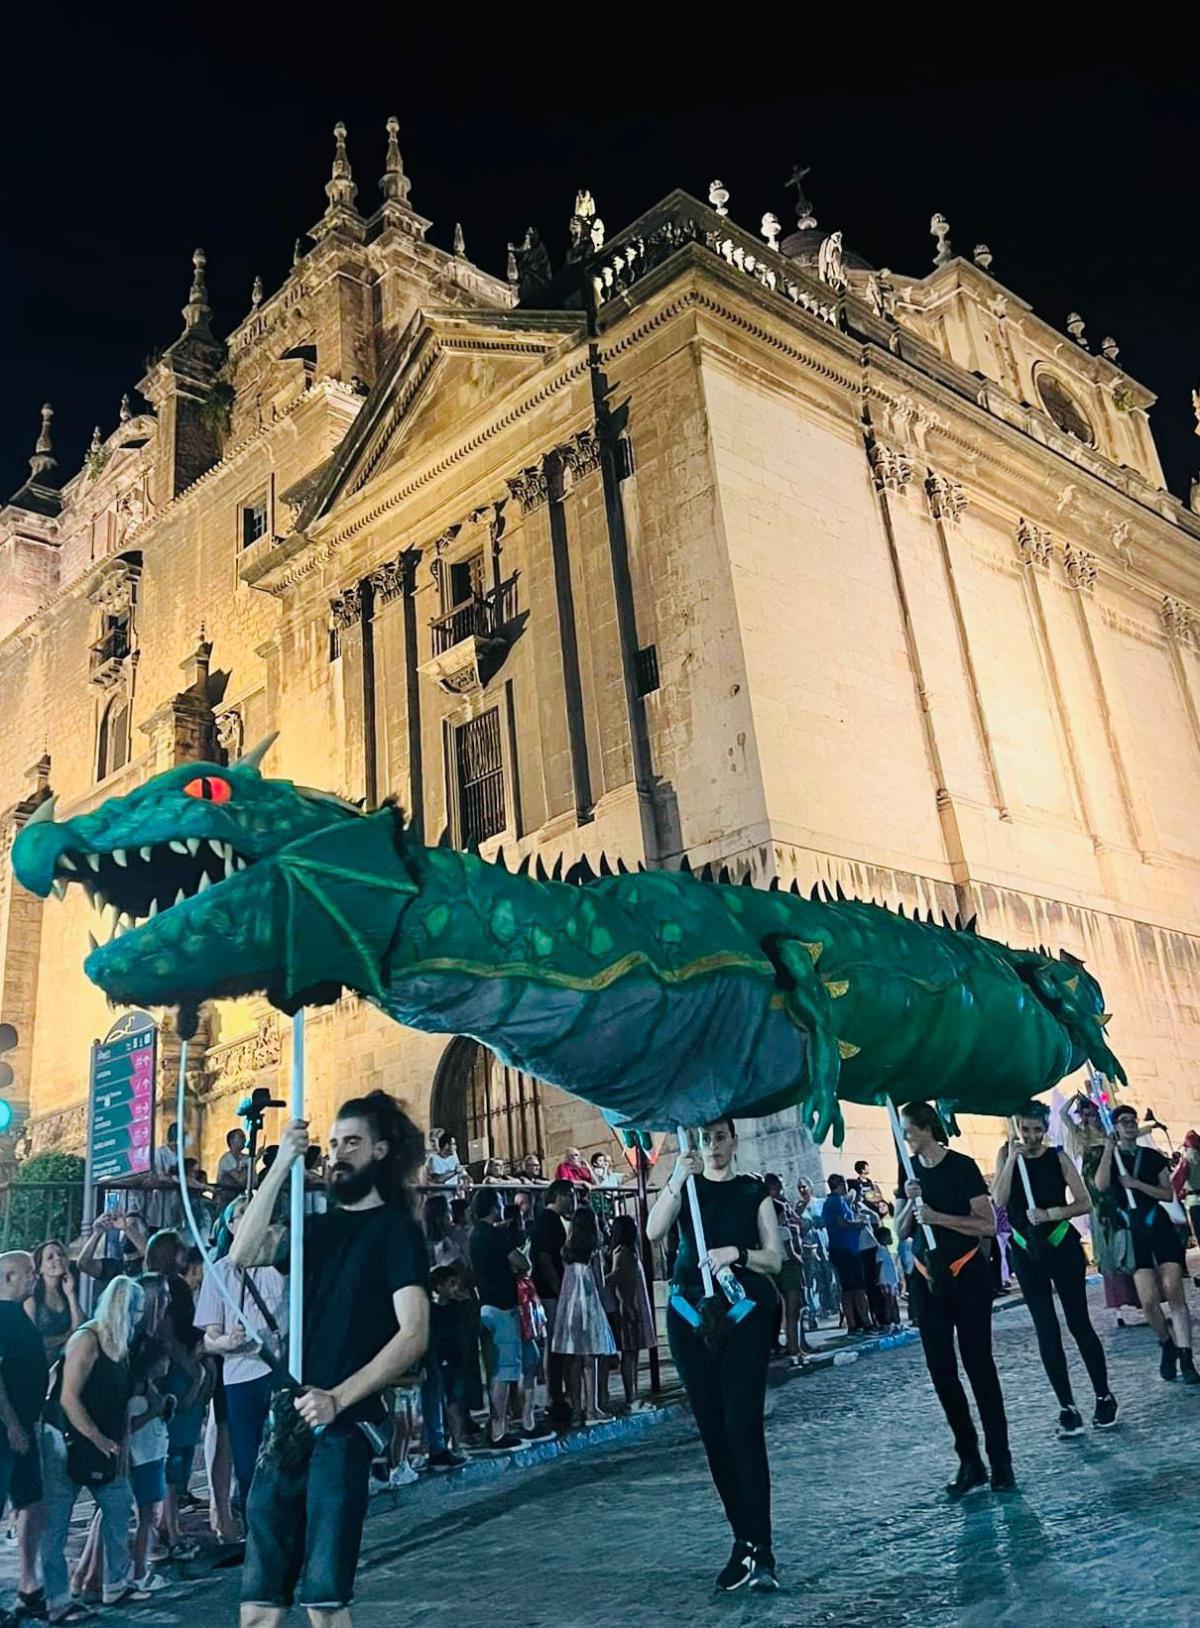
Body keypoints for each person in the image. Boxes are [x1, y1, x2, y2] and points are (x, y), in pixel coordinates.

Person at [230, 1090, 430, 1626]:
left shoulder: (397, 1232)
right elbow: (242, 1253)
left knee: (324, 1603)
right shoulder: (315, 1229)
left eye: (353, 1142)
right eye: (335, 1142)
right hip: (287, 1419)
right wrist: (278, 1169)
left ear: (381, 1151)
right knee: (258, 1604)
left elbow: (413, 1335)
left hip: (342, 1429)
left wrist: (338, 1398)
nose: (339, 1153)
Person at [647, 1119, 783, 1594]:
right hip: (689, 1317)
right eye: (706, 1139)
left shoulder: (753, 1192)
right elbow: (653, 1229)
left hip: (743, 1315)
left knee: (742, 1427)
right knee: (712, 1433)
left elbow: (775, 1257)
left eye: (720, 1137)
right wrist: (676, 1178)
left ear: (734, 1140)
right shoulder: (687, 1187)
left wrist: (735, 1254)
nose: (713, 1146)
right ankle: (741, 1540)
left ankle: (762, 1546)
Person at [896, 1102, 1014, 1497]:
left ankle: (1001, 1460)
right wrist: (911, 1206)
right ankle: (969, 1460)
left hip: (966, 1275)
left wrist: (937, 1216)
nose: (905, 1136)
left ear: (928, 1127)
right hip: (927, 1282)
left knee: (979, 1366)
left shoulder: (961, 1167)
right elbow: (900, 1231)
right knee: (941, 1373)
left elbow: (986, 1224)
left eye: (908, 1128)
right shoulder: (908, 1170)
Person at [992, 1101, 1118, 1434]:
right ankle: (1067, 1406)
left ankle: (1103, 1396)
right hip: (1026, 1250)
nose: (1032, 1137)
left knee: (1079, 1322)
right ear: (1017, 1128)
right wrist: (1011, 1161)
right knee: (1046, 1329)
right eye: (1026, 1130)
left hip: (1061, 1245)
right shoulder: (1007, 1155)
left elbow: (1084, 1200)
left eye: (1038, 1130)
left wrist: (1050, 1214)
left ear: (1045, 1130)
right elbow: (999, 1200)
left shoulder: (1057, 1157)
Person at [41, 1275, 145, 1622]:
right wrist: (99, 1439)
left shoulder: (123, 1347)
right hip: (67, 1440)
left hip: (106, 1443)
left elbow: (123, 1404)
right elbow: (69, 1397)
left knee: (119, 1506)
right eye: (137, 1310)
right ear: (122, 1308)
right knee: (57, 1521)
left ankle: (115, 1582)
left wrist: (120, 1448)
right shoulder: (87, 1340)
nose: (142, 1317)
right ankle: (56, 1600)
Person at [196, 1194, 287, 1515]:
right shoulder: (219, 1272)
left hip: (281, 1372)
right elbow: (209, 1339)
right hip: (242, 1374)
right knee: (249, 1459)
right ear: (231, 1226)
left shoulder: (283, 1264)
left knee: (286, 1454)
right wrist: (227, 1342)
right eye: (243, 1214)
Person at [1096, 1103, 1198, 1382]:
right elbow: (1102, 1185)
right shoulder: (1111, 1157)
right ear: (1115, 1127)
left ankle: (1187, 1358)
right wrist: (1107, 1148)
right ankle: (1166, 1343)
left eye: (1132, 1120)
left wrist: (1137, 1185)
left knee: (1173, 1290)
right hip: (1133, 1233)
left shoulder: (1151, 1157)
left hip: (1158, 1227)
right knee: (1149, 1300)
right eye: (1123, 1121)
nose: (1129, 1124)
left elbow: (1167, 1194)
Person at [1, 1251, 50, 1620]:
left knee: (32, 1501)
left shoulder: (21, 1316)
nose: (34, 1277)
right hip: (7, 1431)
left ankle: (29, 1582)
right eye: (27, 1272)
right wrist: (13, 1424)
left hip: (27, 1425)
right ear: (7, 1278)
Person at [468, 1187, 526, 1453]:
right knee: (504, 1370)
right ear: (493, 1206)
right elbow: (521, 1262)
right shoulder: (493, 1234)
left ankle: (496, 1426)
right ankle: (499, 1430)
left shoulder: (474, 1235)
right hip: (503, 1307)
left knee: (493, 1371)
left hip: (485, 1305)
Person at [552, 1206, 616, 1426]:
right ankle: (592, 1408)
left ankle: (577, 1409)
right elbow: (600, 1282)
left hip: (569, 1306)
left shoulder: (566, 1251)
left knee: (574, 1360)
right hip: (588, 1305)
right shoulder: (593, 1251)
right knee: (591, 1359)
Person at [126, 1339, 173, 1595]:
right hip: (142, 1458)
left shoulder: (151, 1386)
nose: (168, 1363)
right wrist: (154, 1411)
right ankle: (139, 1572)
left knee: (148, 1516)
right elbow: (129, 1426)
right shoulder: (139, 1387)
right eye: (164, 1359)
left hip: (152, 1455)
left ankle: (138, 1568)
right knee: (146, 1517)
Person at [530, 1179, 575, 1427]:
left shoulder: (546, 1220)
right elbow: (546, 1258)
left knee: (555, 1346)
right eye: (569, 1195)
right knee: (556, 1346)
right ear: (558, 1195)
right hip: (550, 1292)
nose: (572, 1200)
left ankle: (556, 1392)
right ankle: (555, 1394)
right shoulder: (548, 1221)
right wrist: (559, 1290)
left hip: (550, 1290)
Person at [605, 1214, 656, 1408]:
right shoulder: (623, 1252)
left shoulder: (626, 1251)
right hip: (629, 1307)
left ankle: (633, 1394)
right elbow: (619, 1279)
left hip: (631, 1305)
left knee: (632, 1353)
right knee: (629, 1353)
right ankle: (630, 1396)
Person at [822, 1175, 874, 1333]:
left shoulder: (835, 1201)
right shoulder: (836, 1201)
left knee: (850, 1288)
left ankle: (855, 1323)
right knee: (855, 1288)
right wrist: (859, 1224)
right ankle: (864, 1322)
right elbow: (841, 1222)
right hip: (845, 1249)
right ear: (839, 1184)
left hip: (845, 1248)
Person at [764, 1175, 806, 1365]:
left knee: (784, 1311)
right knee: (793, 1311)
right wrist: (802, 1259)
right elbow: (791, 1253)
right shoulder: (783, 1230)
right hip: (788, 1268)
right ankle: (794, 1346)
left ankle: (792, 1346)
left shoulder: (763, 1233)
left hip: (772, 1268)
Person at [26, 1238, 82, 1358]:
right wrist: (65, 1338)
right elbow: (31, 1339)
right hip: (39, 1359)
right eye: (50, 1257)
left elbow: (79, 1329)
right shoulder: (32, 1297)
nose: (57, 1258)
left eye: (60, 1255)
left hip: (66, 1357)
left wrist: (71, 1295)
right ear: (39, 1268)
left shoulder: (67, 1290)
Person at [217, 1128, 251, 1195]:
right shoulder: (226, 1159)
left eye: (244, 1137)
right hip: (226, 1196)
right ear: (231, 1141)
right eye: (241, 1137)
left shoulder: (245, 1158)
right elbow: (240, 1179)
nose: (244, 1140)